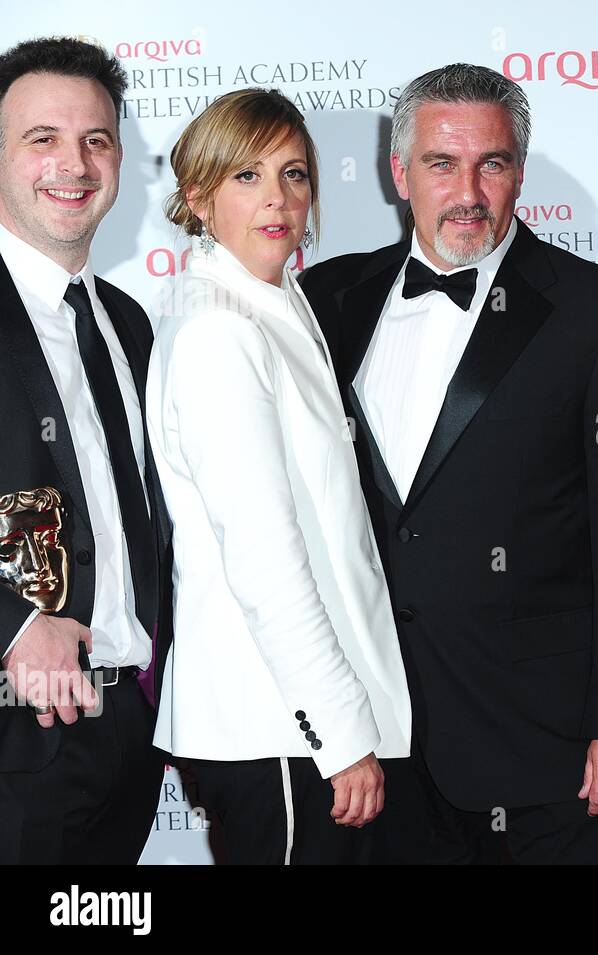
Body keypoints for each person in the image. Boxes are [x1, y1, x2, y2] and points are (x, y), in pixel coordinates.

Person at [300, 63, 598, 865]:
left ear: (519, 172)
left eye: (494, 163)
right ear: (399, 174)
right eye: (442, 164)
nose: (469, 190)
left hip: (548, 752)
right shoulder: (329, 299)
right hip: (374, 744)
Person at [148, 88, 410, 864]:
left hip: (299, 732)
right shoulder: (219, 332)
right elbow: (265, 558)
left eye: (294, 174)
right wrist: (337, 733)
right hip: (281, 734)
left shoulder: (273, 302)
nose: (279, 199)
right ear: (198, 196)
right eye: (247, 176)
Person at [0, 37, 167, 864]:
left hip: (129, 729)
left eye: (95, 140)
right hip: (12, 736)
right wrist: (13, 624)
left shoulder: (129, 321)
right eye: (42, 139)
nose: (73, 163)